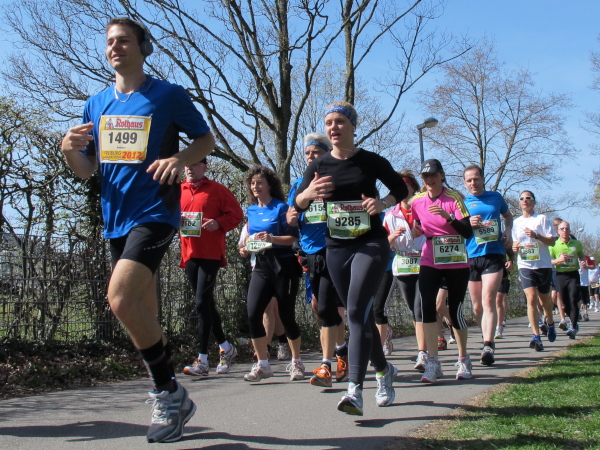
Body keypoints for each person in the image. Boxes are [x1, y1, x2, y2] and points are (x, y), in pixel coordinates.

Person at [60, 17, 215, 443]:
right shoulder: (96, 104)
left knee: (120, 299)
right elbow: (87, 170)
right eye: (110, 41)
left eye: (124, 40)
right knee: (142, 315)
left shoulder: (167, 95)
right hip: (115, 219)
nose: (115, 47)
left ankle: (168, 394)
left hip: (154, 213)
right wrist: (68, 150)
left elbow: (205, 141)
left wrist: (179, 160)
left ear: (144, 47)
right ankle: (171, 395)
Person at [293, 101, 407, 416]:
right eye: (329, 122)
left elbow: (400, 188)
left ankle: (354, 390)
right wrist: (308, 194)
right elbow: (298, 204)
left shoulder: (370, 160)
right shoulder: (319, 165)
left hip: (370, 243)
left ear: (353, 127)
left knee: (355, 311)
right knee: (360, 317)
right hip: (336, 248)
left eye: (340, 121)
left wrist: (382, 202)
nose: (334, 127)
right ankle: (384, 371)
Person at [286, 132, 348, 388]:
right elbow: (292, 216)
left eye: (316, 152)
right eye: (308, 153)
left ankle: (326, 366)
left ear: (326, 154)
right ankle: (342, 351)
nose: (311, 157)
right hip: (310, 253)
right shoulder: (299, 184)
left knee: (327, 307)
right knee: (318, 306)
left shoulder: (336, 181)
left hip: (334, 249)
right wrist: (291, 219)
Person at [410, 159, 474, 383]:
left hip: (456, 258)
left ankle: (463, 358)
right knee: (427, 307)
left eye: (433, 175)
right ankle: (433, 362)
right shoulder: (417, 201)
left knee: (455, 309)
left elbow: (467, 232)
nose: (429, 179)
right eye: (425, 176)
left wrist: (449, 217)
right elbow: (418, 224)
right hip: (430, 256)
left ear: (442, 175)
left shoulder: (454, 198)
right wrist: (416, 231)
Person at [179, 158, 243, 377]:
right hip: (189, 253)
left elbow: (236, 214)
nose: (189, 167)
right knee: (205, 304)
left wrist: (219, 223)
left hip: (210, 254)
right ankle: (226, 347)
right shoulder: (179, 190)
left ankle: (203, 360)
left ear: (205, 167)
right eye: (187, 164)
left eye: (194, 164)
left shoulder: (217, 189)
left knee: (200, 303)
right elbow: (167, 215)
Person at [242, 166, 304, 382]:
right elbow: (250, 239)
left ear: (270, 185)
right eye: (252, 183)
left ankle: (296, 362)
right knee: (253, 314)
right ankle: (263, 364)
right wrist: (246, 247)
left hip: (283, 266)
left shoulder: (281, 208)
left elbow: (293, 238)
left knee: (286, 316)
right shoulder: (251, 211)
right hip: (261, 265)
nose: (255, 186)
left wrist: (272, 239)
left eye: (260, 182)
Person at [463, 164, 514, 366]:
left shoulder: (495, 197)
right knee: (476, 306)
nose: (473, 183)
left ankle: (488, 345)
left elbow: (508, 216)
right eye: (469, 180)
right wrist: (468, 223)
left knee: (488, 299)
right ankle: (485, 335)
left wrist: (508, 230)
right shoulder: (462, 203)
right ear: (465, 183)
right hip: (471, 256)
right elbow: (456, 228)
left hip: (494, 254)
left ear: (483, 179)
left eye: (476, 179)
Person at [383, 170, 428, 370]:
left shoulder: (424, 208)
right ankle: (425, 346)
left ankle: (423, 353)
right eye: (398, 187)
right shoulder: (390, 215)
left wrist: (424, 231)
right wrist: (393, 237)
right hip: (402, 266)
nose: (402, 190)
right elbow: (384, 244)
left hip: (424, 263)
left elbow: (438, 229)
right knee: (413, 309)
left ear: (413, 188)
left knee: (420, 309)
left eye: (406, 186)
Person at [512, 191, 557, 351]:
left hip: (542, 265)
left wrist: (537, 235)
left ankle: (550, 322)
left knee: (544, 301)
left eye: (528, 198)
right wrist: (515, 247)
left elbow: (552, 241)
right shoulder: (516, 222)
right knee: (531, 299)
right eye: (522, 198)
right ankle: (536, 336)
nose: (525, 200)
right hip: (525, 265)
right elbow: (515, 242)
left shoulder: (541, 219)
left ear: (534, 201)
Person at [549, 221, 586, 339]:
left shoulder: (576, 243)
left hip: (573, 274)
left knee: (573, 299)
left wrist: (582, 261)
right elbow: (548, 261)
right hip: (560, 275)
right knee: (565, 303)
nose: (565, 231)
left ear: (569, 230)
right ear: (558, 231)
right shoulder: (554, 245)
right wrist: (558, 260)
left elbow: (581, 255)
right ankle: (574, 321)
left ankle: (573, 327)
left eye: (567, 229)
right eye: (562, 229)